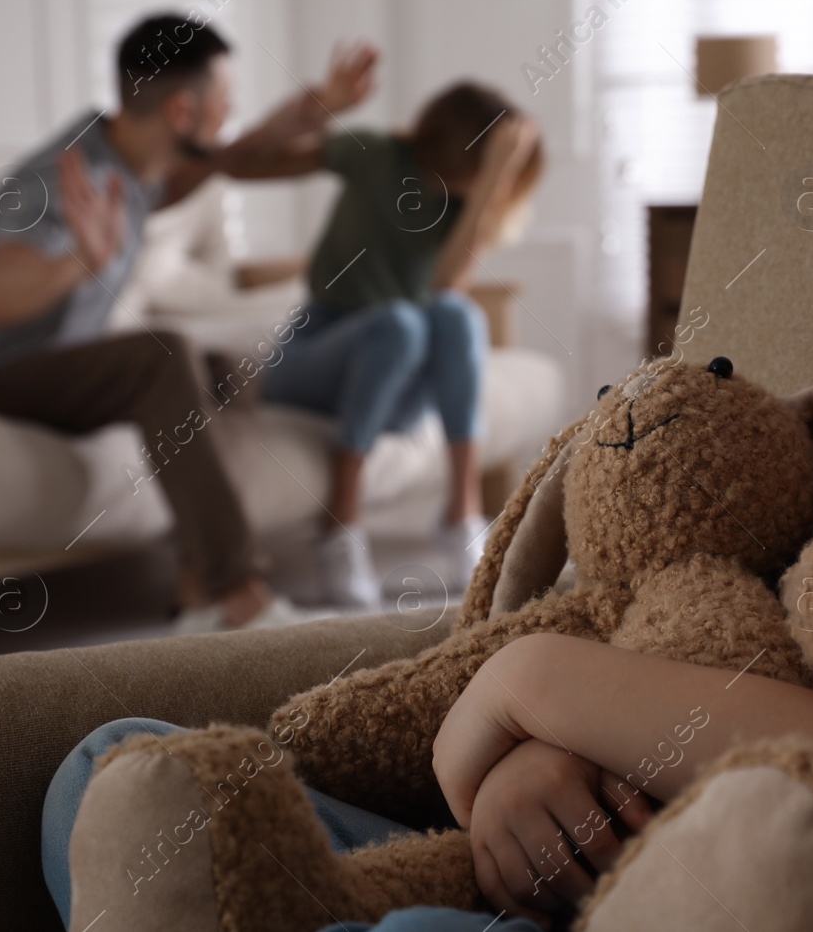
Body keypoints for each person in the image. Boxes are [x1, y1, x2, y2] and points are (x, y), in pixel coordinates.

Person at [42, 60, 813, 929]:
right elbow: (683, 648)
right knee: (111, 765)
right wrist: (512, 780)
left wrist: (521, 686)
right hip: (588, 866)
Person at [0, 12, 374, 633]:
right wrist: (77, 263)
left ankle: (200, 584)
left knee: (217, 369)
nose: (228, 113)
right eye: (223, 101)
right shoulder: (63, 179)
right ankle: (237, 594)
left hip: (30, 372)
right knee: (161, 356)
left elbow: (227, 155)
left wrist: (314, 110)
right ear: (180, 112)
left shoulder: (129, 164)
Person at [185, 48, 544, 611]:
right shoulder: (376, 155)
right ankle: (341, 529)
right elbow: (240, 165)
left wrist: (493, 180)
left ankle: (460, 514)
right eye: (497, 158)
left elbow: (448, 281)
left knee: (455, 315)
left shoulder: (463, 208)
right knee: (400, 322)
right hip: (315, 359)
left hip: (396, 385)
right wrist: (318, 108)